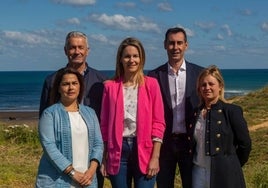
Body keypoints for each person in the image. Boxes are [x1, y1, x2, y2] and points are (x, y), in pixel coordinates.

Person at [39, 31, 107, 187]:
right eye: (72, 47)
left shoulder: (101, 81)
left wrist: (97, 162)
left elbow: (105, 121)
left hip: (91, 163)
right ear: (65, 50)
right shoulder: (51, 81)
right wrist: (70, 170)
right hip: (60, 167)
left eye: (81, 47)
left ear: (87, 50)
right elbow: (44, 121)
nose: (77, 51)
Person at [100, 37, 166, 188]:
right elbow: (104, 125)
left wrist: (155, 156)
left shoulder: (151, 84)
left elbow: (159, 123)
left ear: (141, 58)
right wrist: (104, 157)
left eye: (135, 56)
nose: (131, 60)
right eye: (127, 56)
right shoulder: (110, 87)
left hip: (145, 150)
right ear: (121, 59)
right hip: (118, 151)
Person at [147, 27, 204, 188]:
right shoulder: (153, 76)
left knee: (192, 185)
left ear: (186, 45)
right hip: (163, 143)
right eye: (171, 43)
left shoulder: (200, 73)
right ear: (165, 45)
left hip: (190, 143)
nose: (175, 47)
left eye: (179, 43)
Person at [190, 65, 251, 188]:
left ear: (220, 86)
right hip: (198, 171)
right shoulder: (195, 113)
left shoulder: (232, 111)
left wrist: (231, 165)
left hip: (224, 173)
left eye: (211, 84)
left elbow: (245, 144)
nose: (207, 88)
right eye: (203, 85)